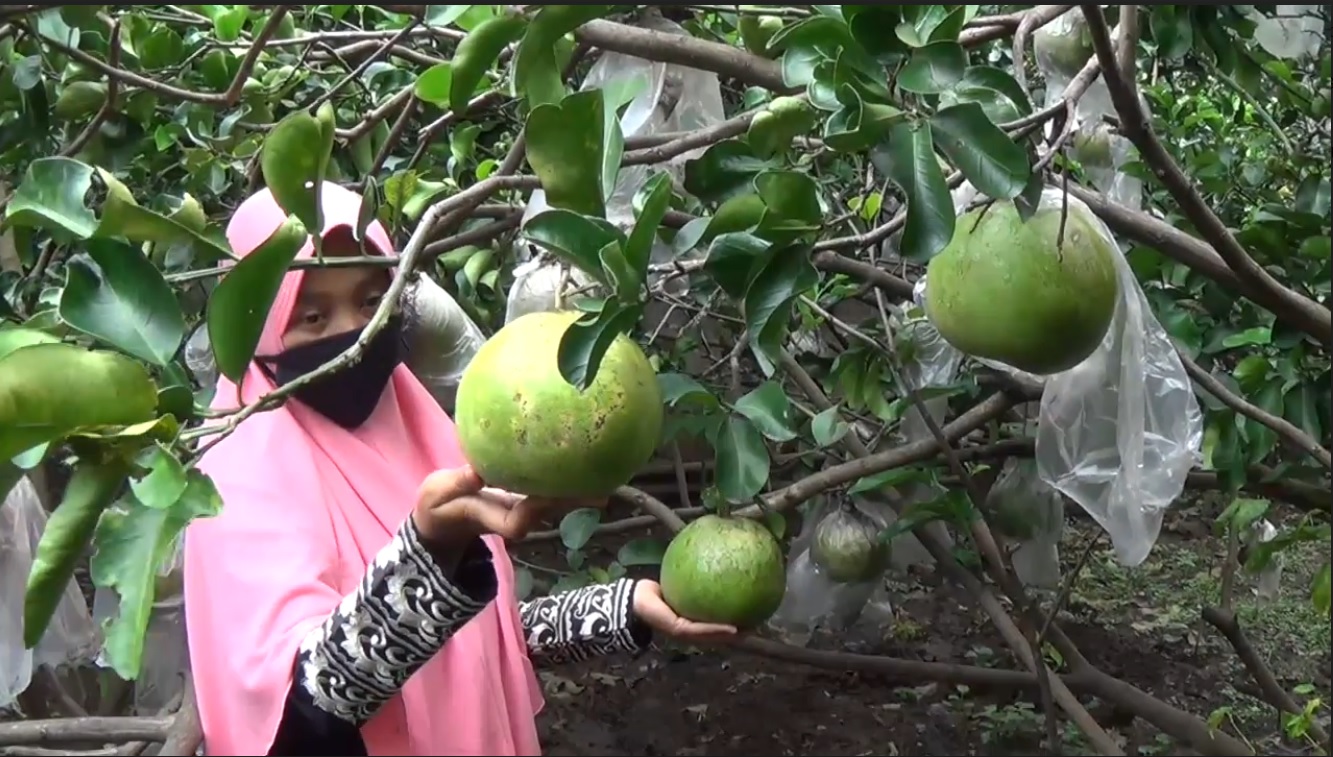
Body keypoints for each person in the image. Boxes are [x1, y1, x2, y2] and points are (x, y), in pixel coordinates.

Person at [183, 183, 737, 757]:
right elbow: (301, 714)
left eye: (373, 301)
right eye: (314, 314)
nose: (354, 336)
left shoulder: (414, 430)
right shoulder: (234, 478)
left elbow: (468, 640)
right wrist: (429, 551)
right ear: (258, 323)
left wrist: (616, 612)